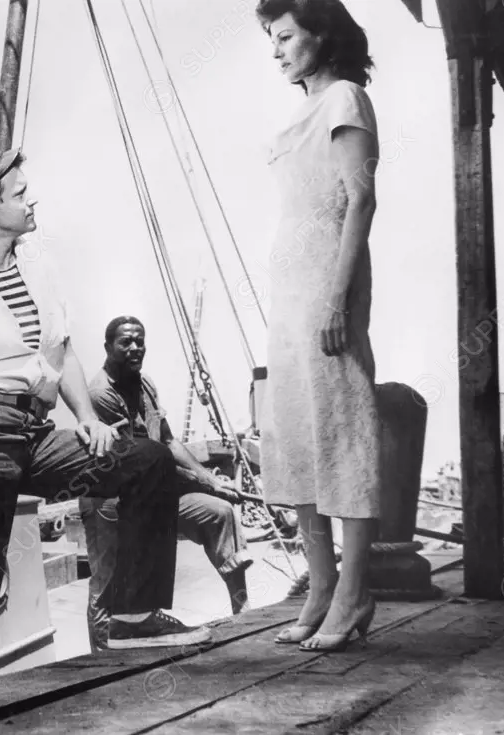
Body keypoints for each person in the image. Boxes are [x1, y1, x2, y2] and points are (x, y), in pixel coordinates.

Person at [0, 142, 211, 689]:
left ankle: (134, 619)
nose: (31, 200)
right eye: (20, 193)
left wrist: (87, 417)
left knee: (147, 461)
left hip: (36, 434)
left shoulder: (41, 268)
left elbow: (61, 352)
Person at [256, 0, 381, 652]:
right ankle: (322, 585)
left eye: (283, 37)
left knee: (344, 430)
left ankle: (357, 589)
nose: (274, 49)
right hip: (291, 290)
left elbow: (360, 198)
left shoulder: (345, 98)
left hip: (327, 286)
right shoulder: (302, 110)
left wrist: (338, 300)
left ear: (320, 35)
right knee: (297, 435)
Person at [80, 316, 254, 650]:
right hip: (110, 504)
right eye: (126, 342)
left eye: (140, 341)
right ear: (107, 347)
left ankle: (242, 611)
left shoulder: (145, 385)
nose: (135, 348)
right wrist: (200, 481)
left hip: (152, 498)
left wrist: (209, 480)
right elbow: (139, 464)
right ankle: (102, 659)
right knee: (107, 583)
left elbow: (170, 443)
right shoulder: (100, 394)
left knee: (218, 513)